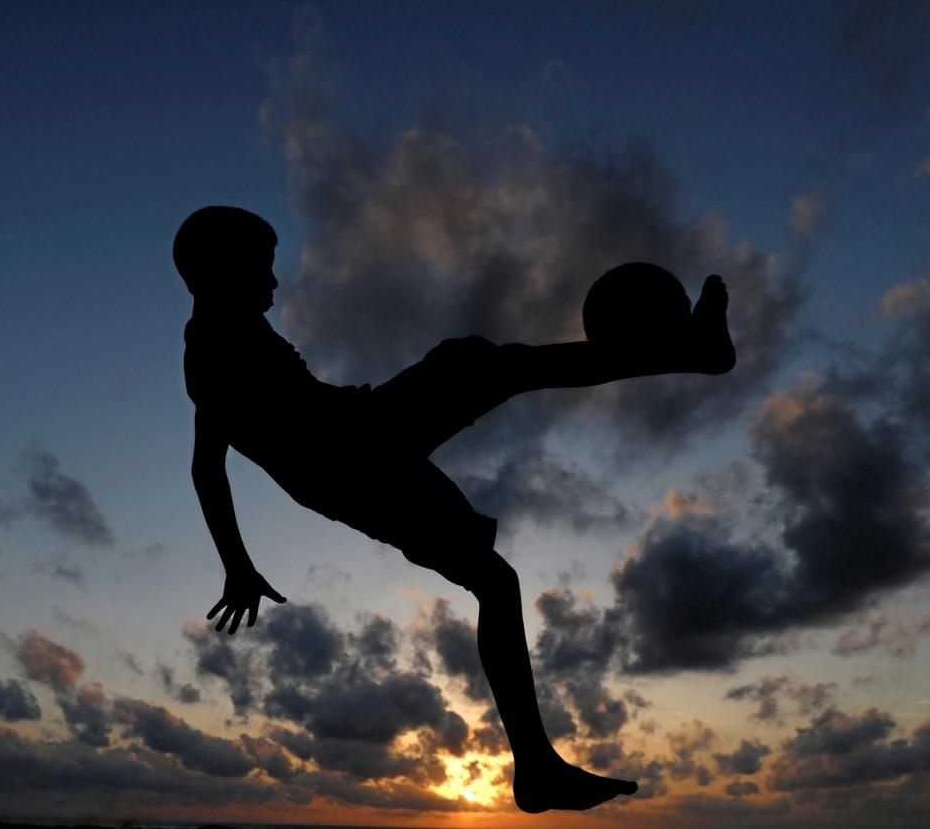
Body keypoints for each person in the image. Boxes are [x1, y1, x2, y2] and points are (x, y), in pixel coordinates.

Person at [176, 205, 735, 813]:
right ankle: (690, 353)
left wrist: (238, 563)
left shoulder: (219, 338)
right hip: (357, 443)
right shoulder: (213, 345)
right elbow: (208, 466)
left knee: (497, 582)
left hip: (354, 470)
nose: (274, 283)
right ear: (219, 271)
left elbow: (214, 461)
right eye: (263, 268)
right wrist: (236, 564)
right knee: (473, 363)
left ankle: (537, 769)